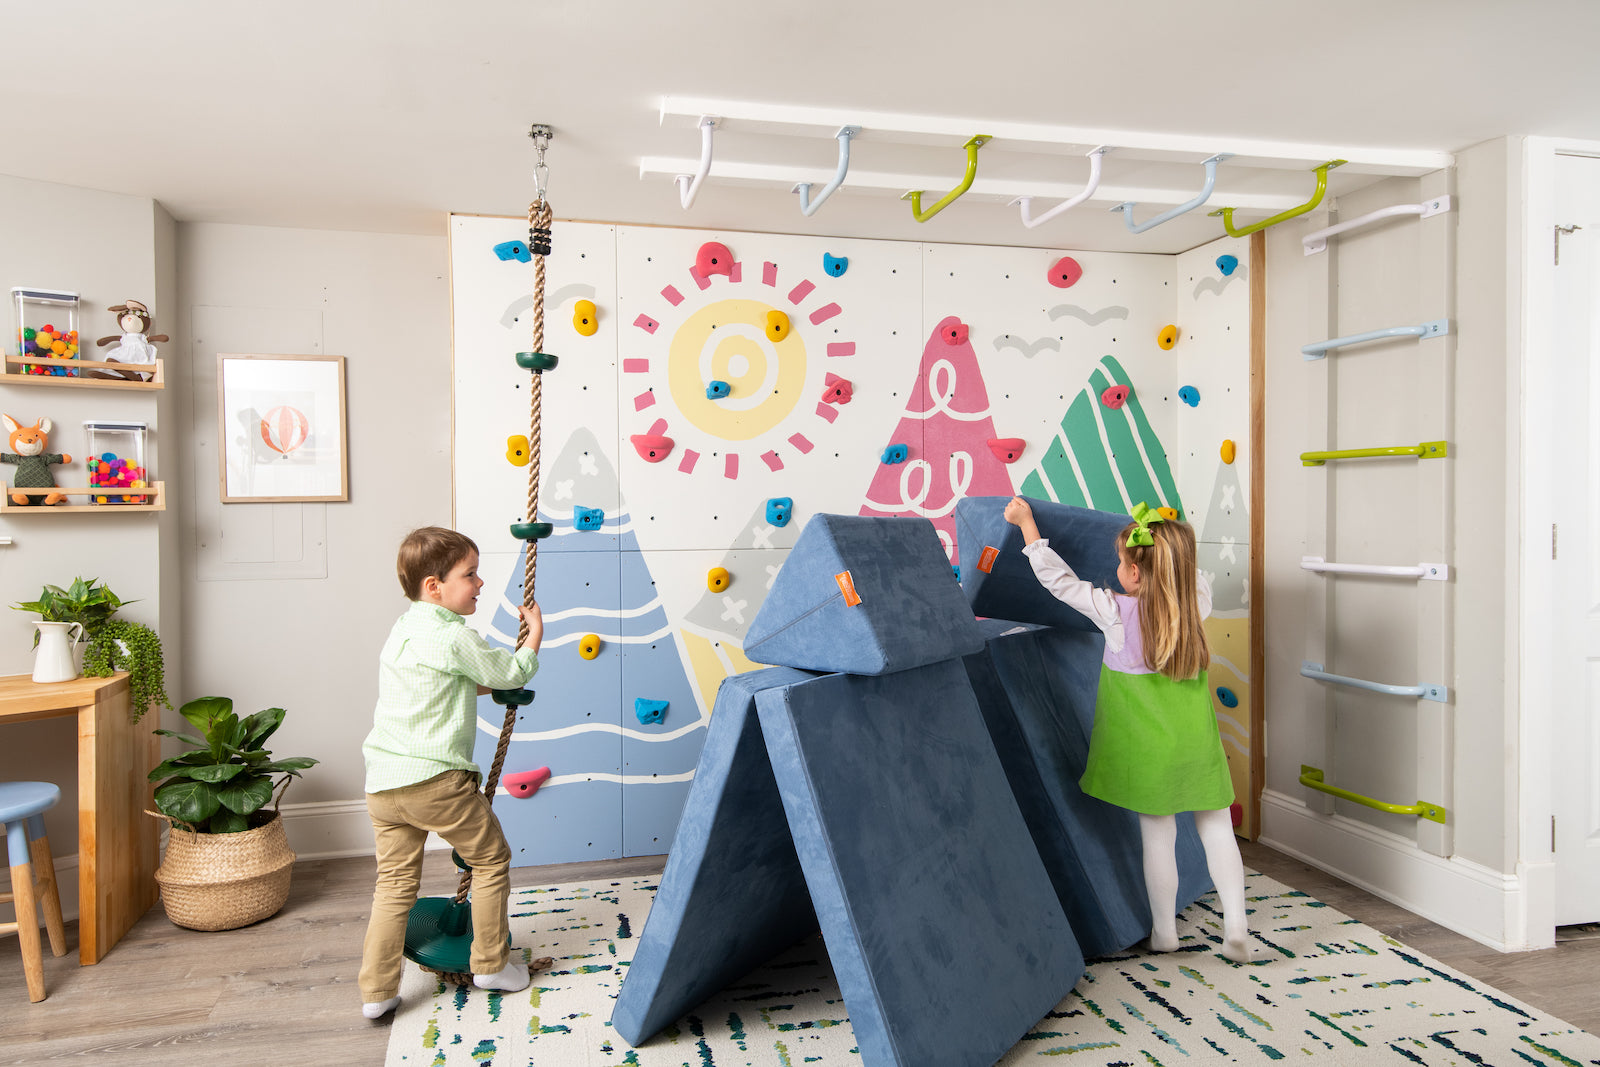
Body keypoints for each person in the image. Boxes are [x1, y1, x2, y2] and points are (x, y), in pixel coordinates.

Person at [1003, 497, 1251, 963]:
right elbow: (1190, 572)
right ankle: (1236, 927)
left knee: (1159, 837)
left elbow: (1058, 582)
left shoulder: (1114, 612)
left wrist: (1027, 524)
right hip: (1197, 747)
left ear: (1135, 574)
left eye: (1122, 562)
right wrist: (1162, 542)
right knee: (1217, 828)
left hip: (1148, 753)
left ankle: (1164, 933)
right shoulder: (1196, 605)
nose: (1117, 568)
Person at [357, 527, 545, 1019]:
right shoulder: (453, 634)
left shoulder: (403, 630)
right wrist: (535, 636)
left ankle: (377, 993)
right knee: (490, 859)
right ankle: (490, 964)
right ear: (434, 586)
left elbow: (450, 682)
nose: (480, 583)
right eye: (470, 575)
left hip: (383, 783)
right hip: (435, 781)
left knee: (394, 884)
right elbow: (510, 674)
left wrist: (485, 681)